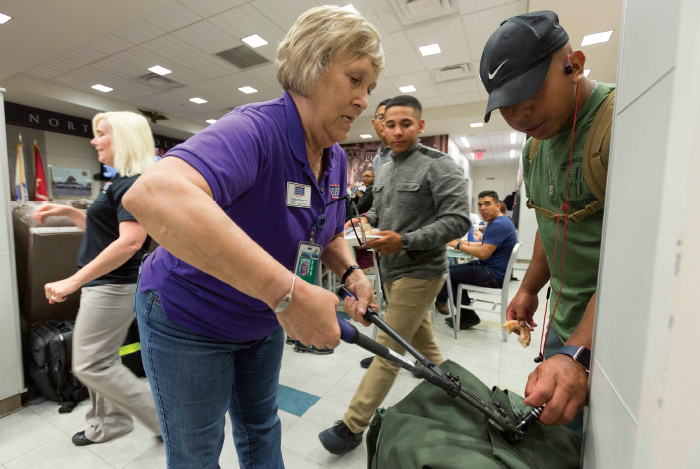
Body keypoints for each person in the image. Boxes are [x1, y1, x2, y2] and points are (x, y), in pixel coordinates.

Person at [122, 6, 383, 468]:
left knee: (261, 430)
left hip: (261, 320)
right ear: (312, 67)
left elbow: (324, 231)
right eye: (355, 79)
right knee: (198, 453)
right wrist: (289, 296)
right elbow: (153, 194)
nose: (363, 100)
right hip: (189, 317)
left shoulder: (337, 158)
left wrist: (348, 271)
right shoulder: (255, 131)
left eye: (369, 88)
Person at [480, 10, 615, 438]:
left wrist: (579, 351)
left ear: (573, 64)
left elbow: (638, 258)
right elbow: (550, 224)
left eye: (529, 91)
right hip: (563, 326)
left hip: (607, 340)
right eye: (505, 104)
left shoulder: (618, 123)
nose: (519, 114)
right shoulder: (535, 150)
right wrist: (528, 288)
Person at [319, 94, 470, 455]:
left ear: (420, 126)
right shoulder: (384, 166)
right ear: (382, 126)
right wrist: (365, 221)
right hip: (391, 272)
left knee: (388, 351)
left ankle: (352, 426)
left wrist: (404, 241)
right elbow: (384, 216)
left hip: (421, 271)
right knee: (427, 351)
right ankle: (464, 396)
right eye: (390, 124)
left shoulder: (439, 165)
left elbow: (458, 220)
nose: (398, 131)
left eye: (406, 124)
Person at [32, 111, 161, 446]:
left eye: (101, 133)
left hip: (114, 286)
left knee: (90, 365)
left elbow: (131, 242)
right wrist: (71, 212)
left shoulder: (135, 182)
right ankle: (109, 422)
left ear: (123, 138)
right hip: (103, 284)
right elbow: (104, 235)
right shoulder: (116, 181)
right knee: (100, 361)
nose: (94, 140)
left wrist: (73, 281)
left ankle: (163, 422)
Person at [436, 191, 518, 330]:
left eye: (487, 204)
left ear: (498, 205)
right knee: (449, 272)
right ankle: (466, 315)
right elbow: (483, 245)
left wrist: (458, 245)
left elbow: (483, 253)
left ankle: (466, 315)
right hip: (495, 270)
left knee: (447, 274)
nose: (482, 208)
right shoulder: (500, 221)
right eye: (480, 205)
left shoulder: (498, 225)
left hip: (494, 274)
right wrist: (461, 243)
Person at [371, 99, 392, 169]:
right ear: (373, 123)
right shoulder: (376, 160)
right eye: (381, 118)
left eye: (390, 119)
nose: (384, 123)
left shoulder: (406, 154)